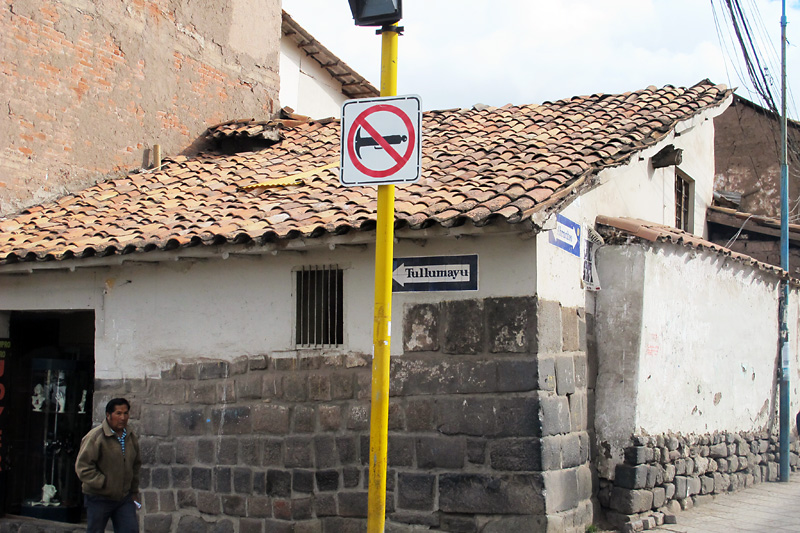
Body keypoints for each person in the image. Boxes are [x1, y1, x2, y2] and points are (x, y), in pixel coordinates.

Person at [75, 398, 141, 533]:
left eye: (126, 413)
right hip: (99, 497)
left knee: (130, 529)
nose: (123, 418)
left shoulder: (130, 436)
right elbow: (83, 466)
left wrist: (133, 491)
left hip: (123, 498)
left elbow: (135, 465)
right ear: (108, 415)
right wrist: (103, 482)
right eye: (118, 413)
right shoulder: (95, 437)